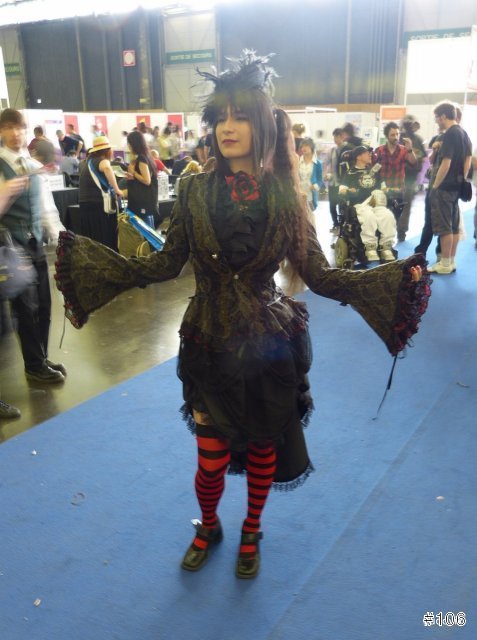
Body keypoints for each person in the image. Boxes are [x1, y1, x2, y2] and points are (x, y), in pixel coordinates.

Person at [54, 52, 430, 579]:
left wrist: (392, 284)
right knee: (209, 457)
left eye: (240, 117)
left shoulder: (286, 195)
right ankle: (208, 525)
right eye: (220, 117)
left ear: (263, 125)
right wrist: (100, 271)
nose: (227, 127)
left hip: (269, 345)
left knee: (261, 451)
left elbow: (320, 275)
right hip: (207, 341)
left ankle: (252, 529)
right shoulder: (192, 189)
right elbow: (166, 264)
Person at [0, 108, 66, 384]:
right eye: (9, 128)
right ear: (1, 131)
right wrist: (6, 192)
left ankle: (42, 356)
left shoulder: (31, 164)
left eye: (20, 128)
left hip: (36, 242)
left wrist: (60, 237)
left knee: (44, 305)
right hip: (11, 246)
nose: (16, 133)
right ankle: (34, 365)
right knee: (25, 309)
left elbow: (46, 206)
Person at [427, 101, 472, 274]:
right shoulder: (463, 133)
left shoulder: (450, 134)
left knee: (444, 226)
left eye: (436, 117)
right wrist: (461, 180)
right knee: (453, 225)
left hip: (445, 187)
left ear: (443, 116)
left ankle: (444, 264)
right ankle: (450, 261)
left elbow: (446, 163)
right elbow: (467, 161)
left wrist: (435, 186)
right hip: (456, 186)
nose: (436, 121)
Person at [78, 135, 124, 252]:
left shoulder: (89, 162)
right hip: (97, 204)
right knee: (104, 235)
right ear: (106, 151)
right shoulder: (102, 161)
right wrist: (117, 189)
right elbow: (107, 168)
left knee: (93, 236)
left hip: (86, 203)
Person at [374, 122, 416, 242]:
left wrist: (410, 149)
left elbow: (414, 163)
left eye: (397, 134)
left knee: (397, 216)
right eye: (392, 135)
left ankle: (397, 235)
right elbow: (374, 169)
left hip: (398, 189)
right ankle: (381, 240)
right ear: (387, 136)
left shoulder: (404, 150)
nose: (396, 137)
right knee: (381, 216)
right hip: (383, 189)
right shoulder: (379, 150)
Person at [126, 130, 159, 229]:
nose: (128, 146)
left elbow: (147, 180)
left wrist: (134, 173)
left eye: (129, 143)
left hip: (143, 201)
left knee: (145, 229)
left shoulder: (142, 159)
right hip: (146, 200)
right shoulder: (146, 157)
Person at [326, 127, 346, 234]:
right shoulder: (332, 151)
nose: (335, 139)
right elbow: (326, 163)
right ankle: (335, 225)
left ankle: (342, 226)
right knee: (332, 205)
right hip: (333, 183)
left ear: (342, 137)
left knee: (342, 205)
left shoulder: (347, 150)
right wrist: (326, 174)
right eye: (334, 137)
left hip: (342, 184)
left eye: (336, 137)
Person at [298, 137, 323, 210]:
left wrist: (315, 186)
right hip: (299, 193)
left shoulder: (317, 163)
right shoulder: (298, 161)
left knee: (310, 213)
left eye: (306, 145)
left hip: (310, 193)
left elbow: (320, 179)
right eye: (302, 146)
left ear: (312, 147)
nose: (303, 148)